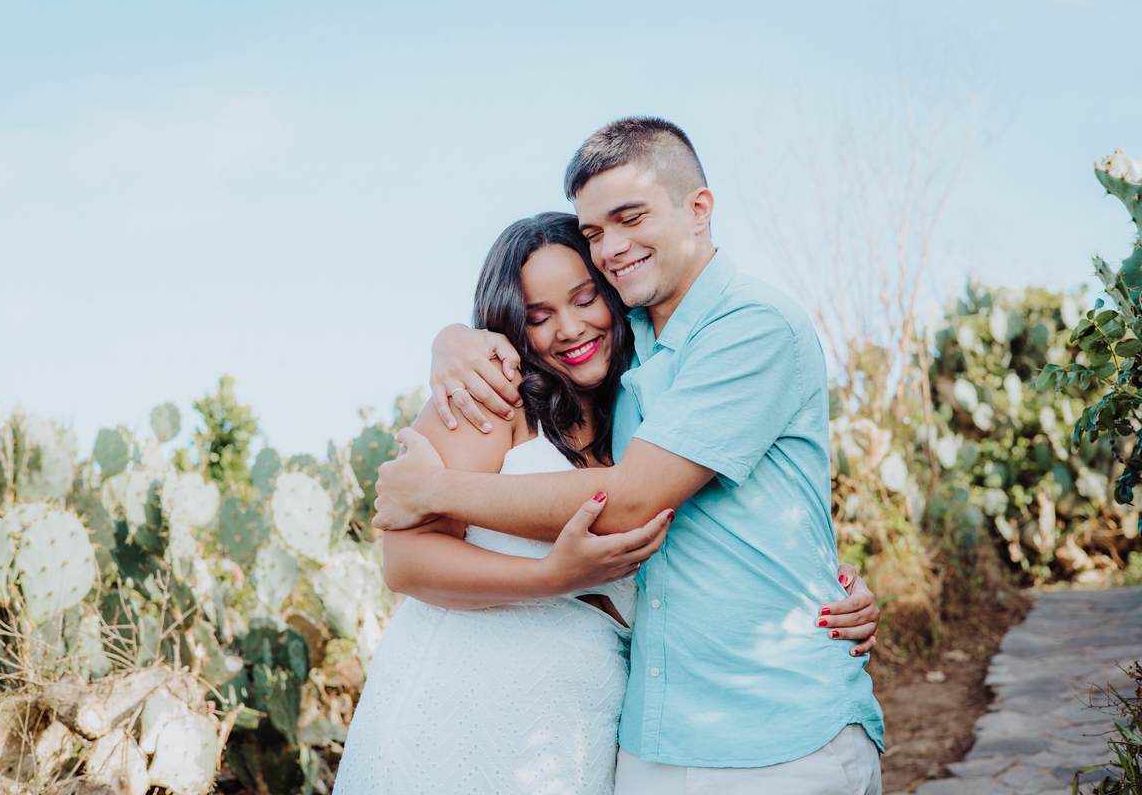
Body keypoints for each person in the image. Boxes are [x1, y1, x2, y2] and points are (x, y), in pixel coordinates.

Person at [374, 117, 885, 794]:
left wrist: (434, 491)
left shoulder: (741, 330)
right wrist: (453, 339)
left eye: (586, 295)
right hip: (614, 732)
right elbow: (406, 559)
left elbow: (640, 497)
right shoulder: (528, 383)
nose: (611, 249)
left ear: (697, 209)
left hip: (768, 732)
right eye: (594, 234)